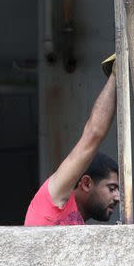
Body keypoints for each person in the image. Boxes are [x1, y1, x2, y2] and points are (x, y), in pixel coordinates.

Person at [25, 70, 120, 226]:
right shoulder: (56, 195)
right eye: (111, 188)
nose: (117, 197)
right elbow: (94, 133)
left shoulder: (77, 225)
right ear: (86, 183)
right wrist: (116, 75)